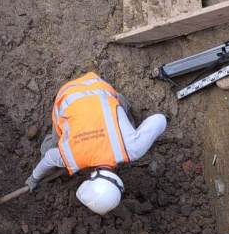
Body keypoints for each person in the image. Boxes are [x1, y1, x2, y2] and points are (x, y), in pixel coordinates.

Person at [25, 71, 167, 215]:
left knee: (124, 117)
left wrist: (138, 137)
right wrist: (34, 178)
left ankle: (118, 103)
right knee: (54, 144)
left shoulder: (134, 148)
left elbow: (160, 119)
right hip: (72, 94)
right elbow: (49, 158)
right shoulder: (71, 157)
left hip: (96, 86)